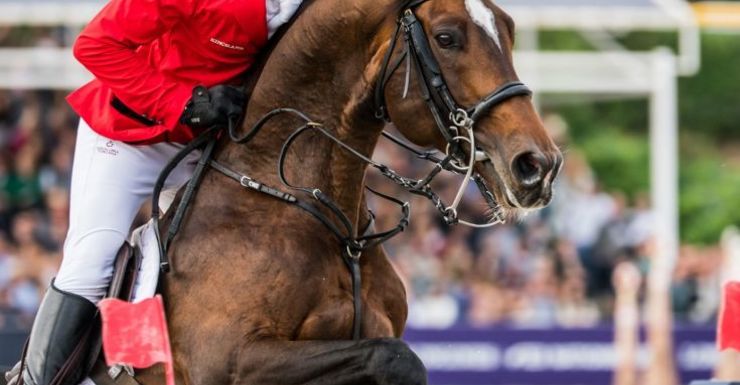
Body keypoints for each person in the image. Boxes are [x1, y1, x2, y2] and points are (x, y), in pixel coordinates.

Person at [4, 1, 303, 385]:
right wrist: (182, 102)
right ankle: (32, 380)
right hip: (128, 136)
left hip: (204, 147)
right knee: (92, 259)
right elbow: (93, 45)